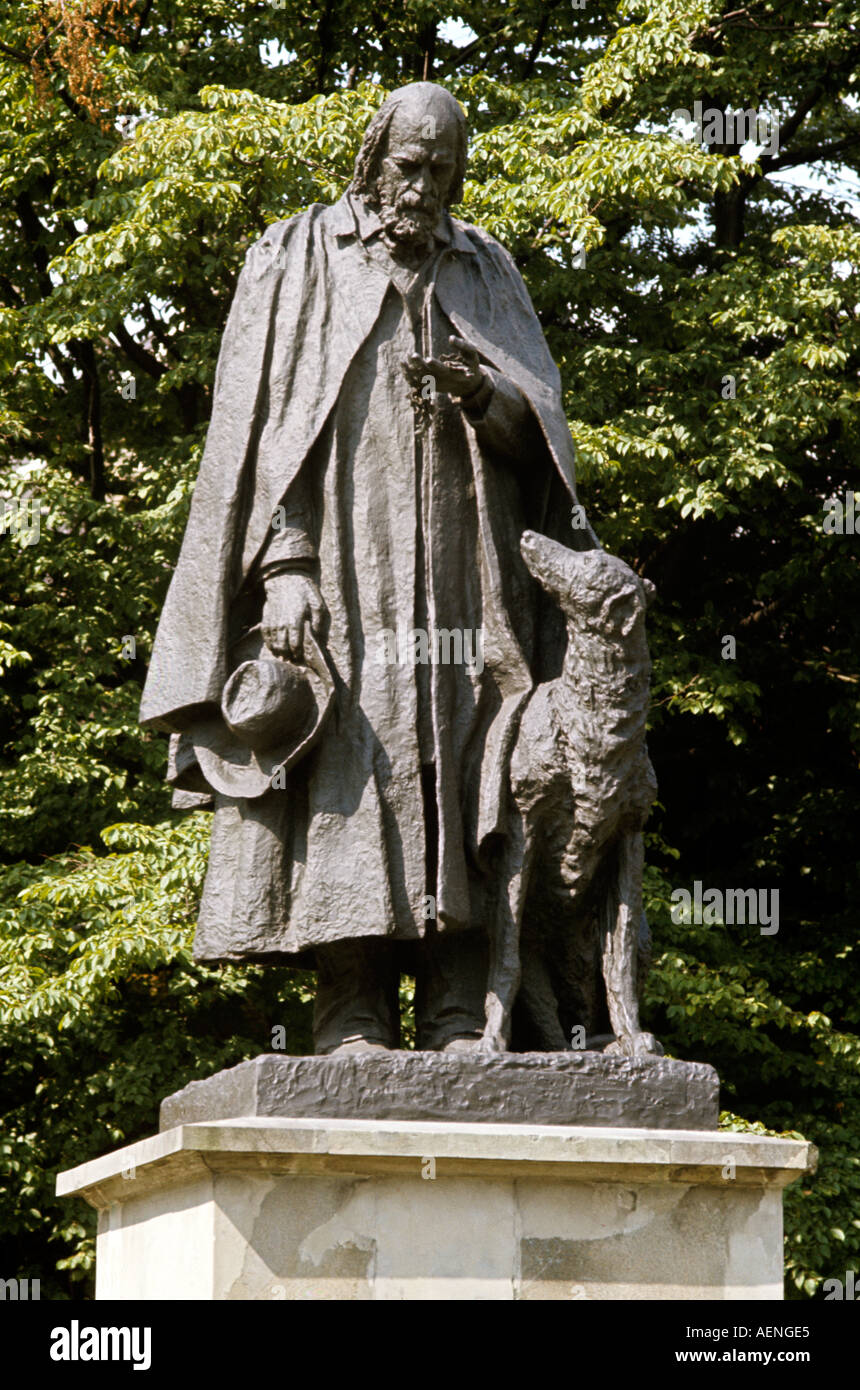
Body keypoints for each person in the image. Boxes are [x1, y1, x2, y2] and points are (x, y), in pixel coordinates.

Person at [140, 81, 595, 1055]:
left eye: (440, 170)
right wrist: (284, 564)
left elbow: (543, 432)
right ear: (372, 158)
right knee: (351, 768)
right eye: (406, 165)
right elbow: (260, 428)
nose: (420, 186)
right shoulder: (298, 256)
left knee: (468, 761)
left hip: (467, 580)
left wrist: (491, 401)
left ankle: (458, 1005)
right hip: (341, 573)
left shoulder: (484, 269)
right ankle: (348, 1008)